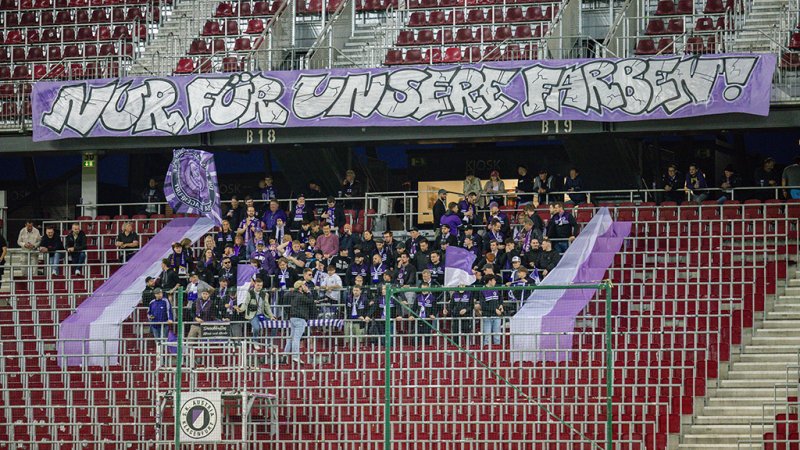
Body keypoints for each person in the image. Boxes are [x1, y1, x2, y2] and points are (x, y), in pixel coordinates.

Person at [282, 280, 318, 365]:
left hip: (292, 317)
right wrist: (308, 292)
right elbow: (310, 302)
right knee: (296, 338)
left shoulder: (293, 295)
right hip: (300, 318)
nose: (306, 287)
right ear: (300, 287)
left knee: (291, 338)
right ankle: (295, 357)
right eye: (304, 286)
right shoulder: (301, 296)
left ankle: (285, 355)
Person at [245, 278, 274, 349]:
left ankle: (270, 343)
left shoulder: (264, 294)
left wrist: (271, 316)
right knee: (256, 327)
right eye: (258, 285)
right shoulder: (249, 293)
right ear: (254, 284)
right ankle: (255, 342)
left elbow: (267, 306)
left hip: (262, 314)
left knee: (274, 325)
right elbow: (245, 304)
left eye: (261, 285)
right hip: (253, 315)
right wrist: (240, 309)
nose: (259, 287)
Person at [478, 275, 503, 346]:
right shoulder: (482, 291)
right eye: (494, 280)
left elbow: (500, 299)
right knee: (487, 337)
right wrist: (495, 310)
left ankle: (497, 354)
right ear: (490, 281)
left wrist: (501, 305)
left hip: (497, 317)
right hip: (487, 316)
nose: (495, 281)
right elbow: (483, 305)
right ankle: (486, 355)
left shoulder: (496, 289)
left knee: (497, 337)